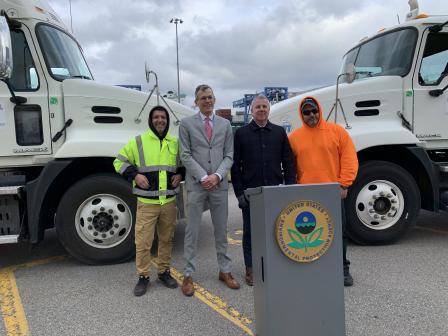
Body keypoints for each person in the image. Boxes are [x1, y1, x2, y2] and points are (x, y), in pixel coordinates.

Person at [113, 105, 184, 296]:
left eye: (163, 117)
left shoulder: (175, 142)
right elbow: (118, 161)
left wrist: (180, 174)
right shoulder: (138, 142)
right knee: (143, 242)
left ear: (167, 121)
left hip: (168, 202)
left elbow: (183, 163)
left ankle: (163, 272)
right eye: (156, 117)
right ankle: (143, 277)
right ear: (150, 120)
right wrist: (135, 175)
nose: (160, 120)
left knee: (166, 240)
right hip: (147, 204)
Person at [288, 96, 358, 287]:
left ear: (319, 110)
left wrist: (344, 184)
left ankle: (343, 269)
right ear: (301, 115)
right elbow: (289, 166)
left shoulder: (337, 132)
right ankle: (314, 268)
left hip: (332, 192)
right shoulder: (294, 137)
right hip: (306, 194)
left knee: (339, 232)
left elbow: (350, 159)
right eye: (306, 112)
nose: (311, 115)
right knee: (309, 234)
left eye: (314, 111)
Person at [179, 84, 239, 296]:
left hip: (219, 184)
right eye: (203, 98)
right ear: (196, 102)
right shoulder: (186, 124)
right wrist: (204, 176)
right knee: (192, 231)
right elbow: (185, 155)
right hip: (197, 185)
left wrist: (217, 176)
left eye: (210, 97)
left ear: (215, 99)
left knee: (221, 231)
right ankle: (188, 274)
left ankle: (225, 270)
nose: (207, 101)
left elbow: (229, 155)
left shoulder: (225, 125)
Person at [231, 94, 296, 286]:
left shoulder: (278, 132)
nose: (261, 110)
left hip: (275, 192)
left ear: (269, 110)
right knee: (250, 233)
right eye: (257, 107)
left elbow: (288, 161)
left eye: (264, 107)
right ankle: (250, 269)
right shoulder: (241, 134)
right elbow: (235, 166)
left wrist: (289, 187)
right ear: (252, 110)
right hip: (251, 194)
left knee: (275, 231)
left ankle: (274, 266)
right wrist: (239, 193)